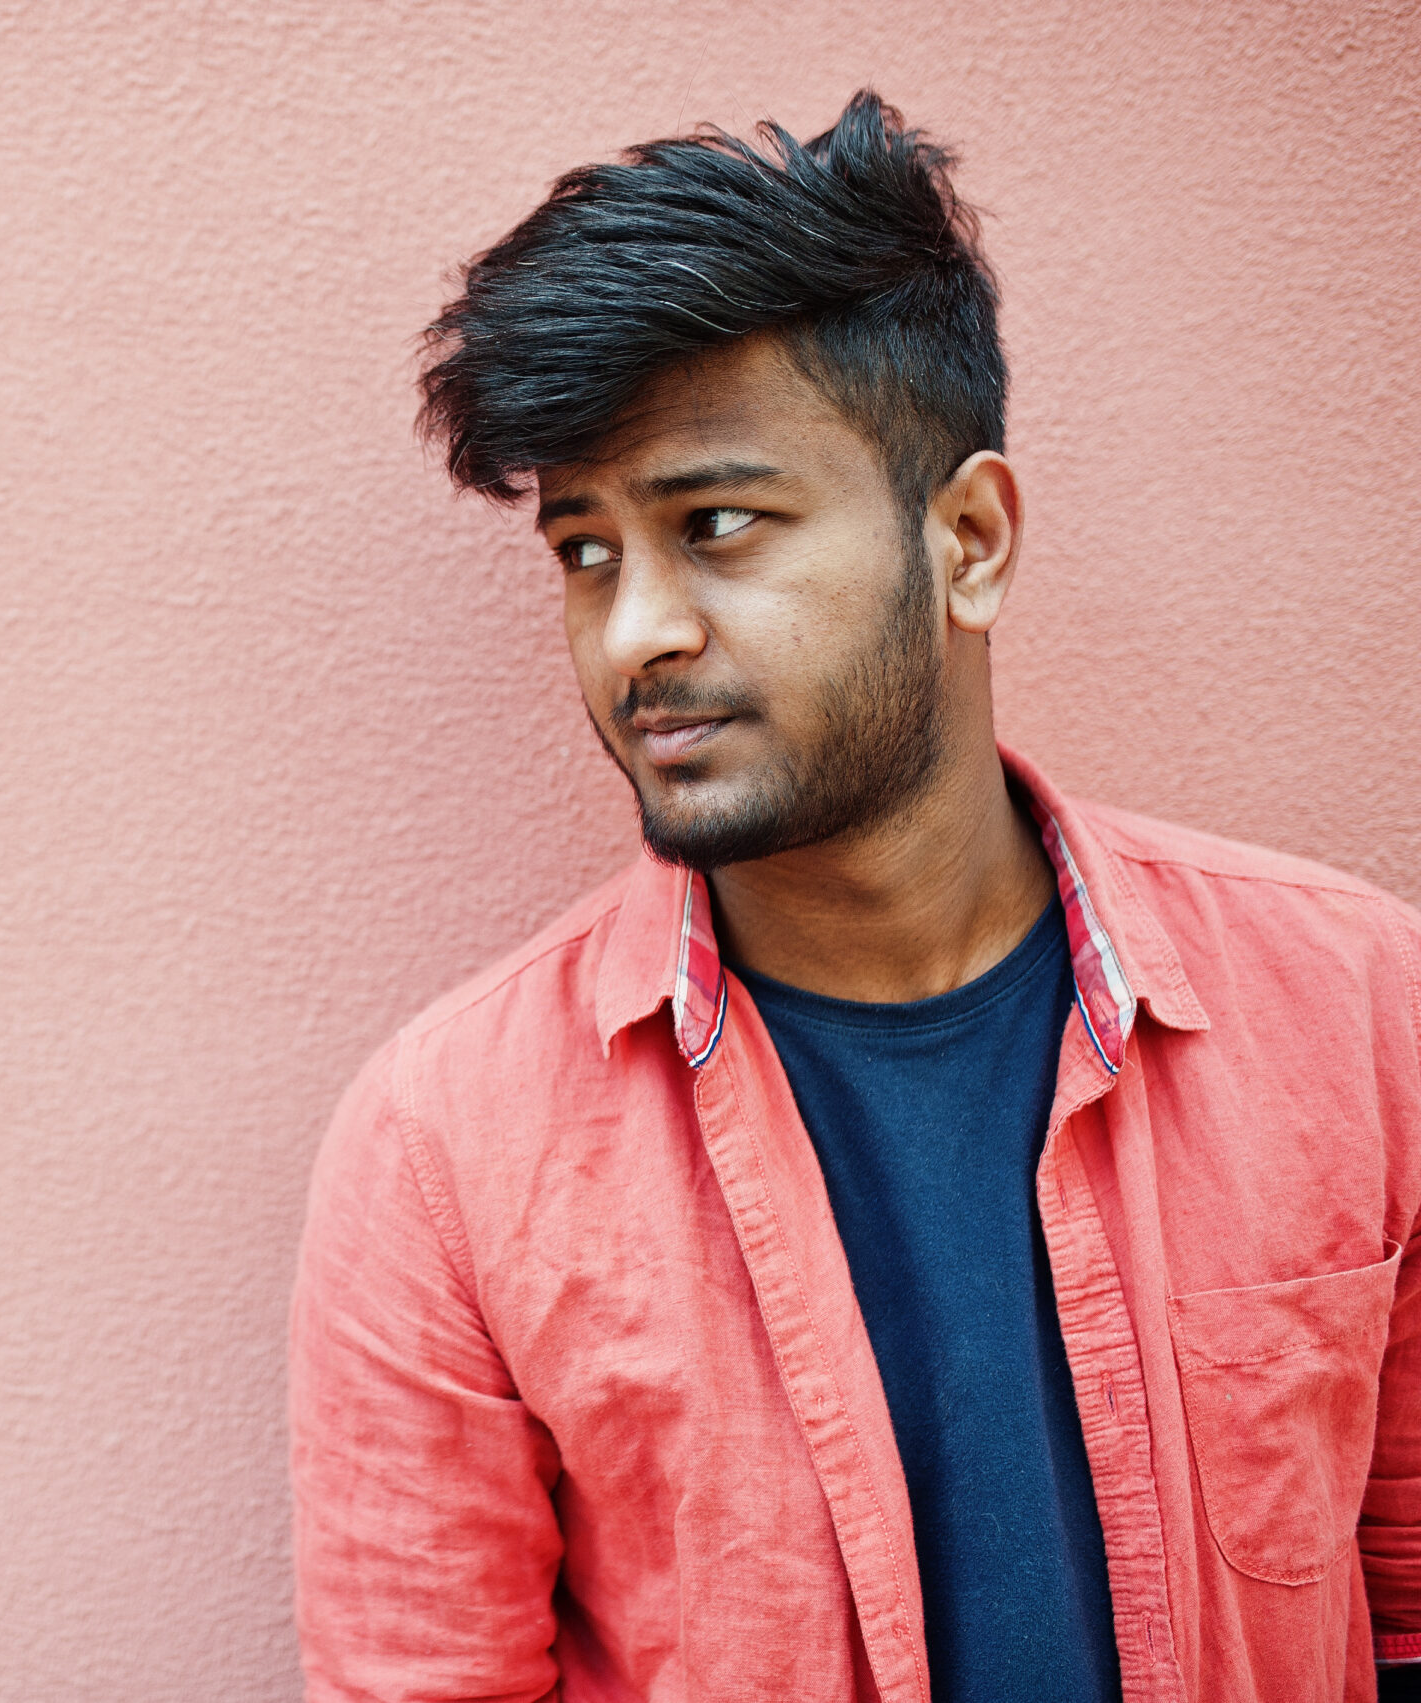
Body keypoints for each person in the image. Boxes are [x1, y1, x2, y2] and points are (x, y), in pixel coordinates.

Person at [288, 90, 1421, 1703]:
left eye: (716, 525)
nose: (633, 637)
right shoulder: (447, 1149)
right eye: (585, 551)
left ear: (967, 539)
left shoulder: (1362, 1007)